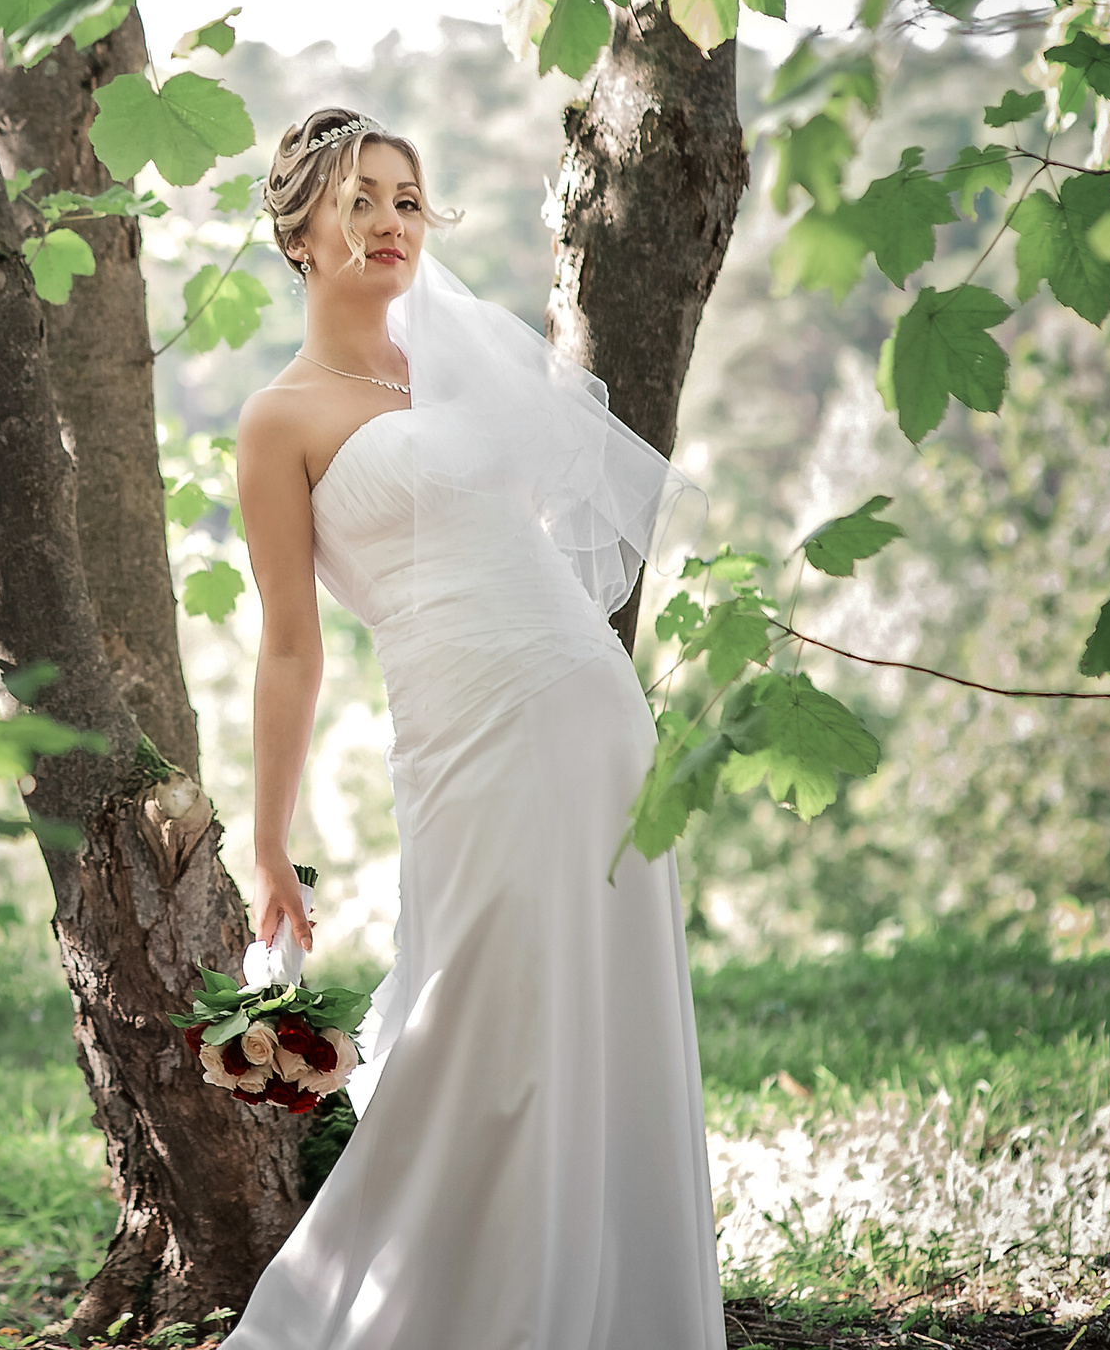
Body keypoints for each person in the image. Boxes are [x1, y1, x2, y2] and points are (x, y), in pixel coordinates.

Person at [223, 108, 722, 1348]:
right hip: (459, 729)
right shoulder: (277, 420)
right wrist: (266, 835)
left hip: (585, 703)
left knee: (594, 1002)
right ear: (298, 233)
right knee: (476, 1007)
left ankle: (608, 1307)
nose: (390, 223)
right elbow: (290, 642)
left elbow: (547, 529)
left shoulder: (463, 361)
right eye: (358, 200)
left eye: (405, 197)